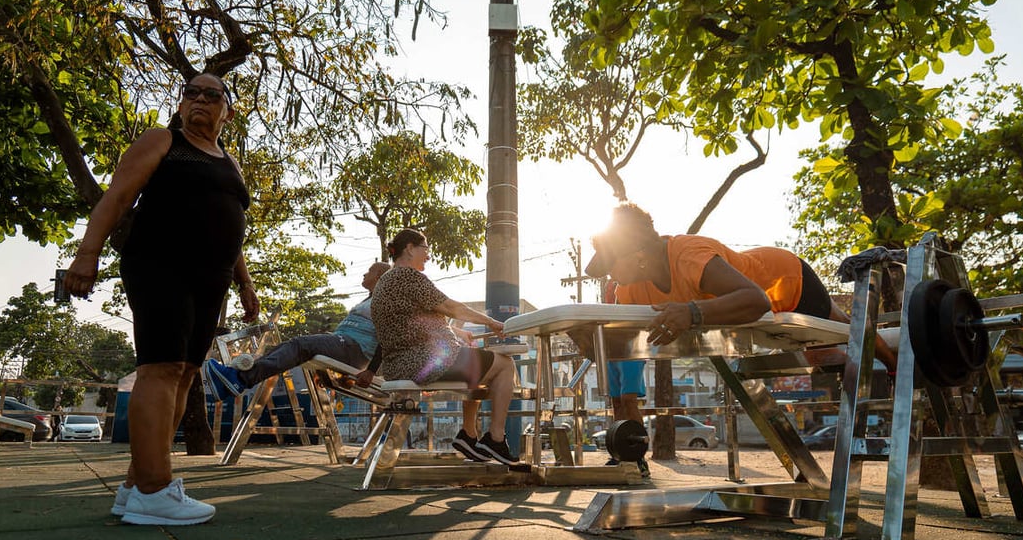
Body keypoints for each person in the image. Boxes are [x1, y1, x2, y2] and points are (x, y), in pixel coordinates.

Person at [64, 73, 258, 526]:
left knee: (187, 373)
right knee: (162, 367)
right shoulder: (163, 141)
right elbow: (117, 197)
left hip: (211, 280)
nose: (200, 100)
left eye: (213, 95)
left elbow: (232, 230)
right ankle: (155, 488)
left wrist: (244, 284)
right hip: (160, 264)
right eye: (191, 92)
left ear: (227, 111)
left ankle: (135, 487)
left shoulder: (230, 162)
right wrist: (86, 255)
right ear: (181, 102)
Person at [584, 202, 898, 372]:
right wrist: (591, 343)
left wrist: (693, 311)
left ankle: (895, 363)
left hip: (787, 281)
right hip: (760, 291)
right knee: (825, 357)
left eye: (611, 263)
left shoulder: (688, 256)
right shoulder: (629, 288)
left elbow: (756, 300)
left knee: (841, 329)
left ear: (638, 255)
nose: (608, 273)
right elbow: (625, 338)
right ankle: (885, 361)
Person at [369, 229, 520, 465]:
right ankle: (496, 438)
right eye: (425, 248)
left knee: (477, 367)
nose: (428, 255)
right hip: (423, 361)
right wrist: (491, 322)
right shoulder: (409, 277)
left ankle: (469, 436)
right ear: (409, 248)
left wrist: (456, 333)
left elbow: (412, 322)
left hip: (399, 364)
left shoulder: (384, 283)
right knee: (505, 365)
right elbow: (453, 308)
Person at [203, 262, 391, 400]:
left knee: (300, 346)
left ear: (380, 276)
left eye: (370, 271)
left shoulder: (385, 299)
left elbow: (387, 336)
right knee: (290, 345)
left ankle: (239, 379)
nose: (364, 274)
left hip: (354, 349)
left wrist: (371, 371)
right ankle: (232, 380)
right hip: (343, 343)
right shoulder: (367, 300)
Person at [601, 280, 650, 477]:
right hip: (612, 347)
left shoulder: (635, 280)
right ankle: (620, 453)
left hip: (632, 346)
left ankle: (639, 456)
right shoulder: (610, 285)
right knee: (616, 403)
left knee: (629, 400)